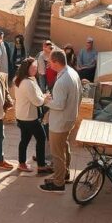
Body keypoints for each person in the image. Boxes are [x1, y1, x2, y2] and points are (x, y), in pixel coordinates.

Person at [39, 50, 81, 193]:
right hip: (70, 118)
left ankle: (58, 183)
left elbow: (59, 105)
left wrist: (46, 101)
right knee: (64, 146)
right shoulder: (73, 73)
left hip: (60, 122)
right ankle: (65, 174)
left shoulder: (62, 81)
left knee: (57, 153)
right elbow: (78, 96)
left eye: (50, 61)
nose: (48, 64)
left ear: (56, 62)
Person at [13, 58, 52, 175]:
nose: (35, 69)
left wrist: (42, 96)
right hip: (29, 117)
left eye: (36, 67)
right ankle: (41, 166)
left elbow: (36, 95)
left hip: (22, 115)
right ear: (26, 68)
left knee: (24, 140)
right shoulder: (27, 82)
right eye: (33, 67)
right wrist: (45, 99)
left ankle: (22, 163)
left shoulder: (20, 79)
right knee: (41, 138)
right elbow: (37, 101)